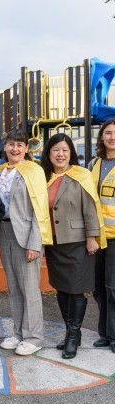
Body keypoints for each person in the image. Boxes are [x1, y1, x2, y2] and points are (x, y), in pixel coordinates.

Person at [41, 133, 104, 359]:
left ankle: (74, 336)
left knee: (77, 290)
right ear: (48, 153)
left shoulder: (81, 176)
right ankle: (69, 332)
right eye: (56, 149)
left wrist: (92, 237)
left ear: (71, 153)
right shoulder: (44, 177)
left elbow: (90, 208)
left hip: (78, 241)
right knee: (61, 288)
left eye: (65, 150)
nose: (60, 154)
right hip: (54, 242)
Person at [0, 129, 52, 356]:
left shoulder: (34, 171)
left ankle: (33, 337)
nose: (15, 149)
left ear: (26, 148)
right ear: (5, 147)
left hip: (26, 234)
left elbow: (39, 207)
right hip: (5, 231)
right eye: (11, 144)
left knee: (29, 288)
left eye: (19, 145)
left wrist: (35, 243)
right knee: (14, 288)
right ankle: (18, 333)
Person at [90, 119, 115, 353]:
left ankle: (114, 335)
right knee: (99, 288)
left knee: (113, 287)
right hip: (98, 236)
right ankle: (105, 334)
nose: (112, 137)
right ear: (102, 137)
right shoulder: (94, 164)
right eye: (108, 133)